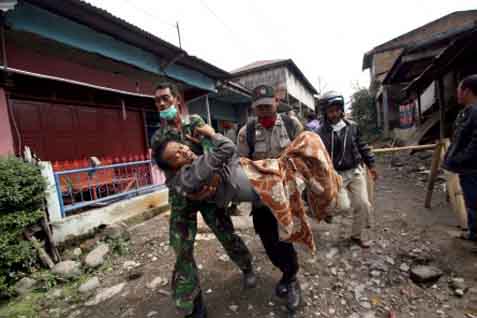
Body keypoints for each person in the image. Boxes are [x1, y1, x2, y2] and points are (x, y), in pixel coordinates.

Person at [150, 82, 256, 318]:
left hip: (211, 192)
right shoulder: (158, 138)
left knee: (226, 234)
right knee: (183, 251)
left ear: (177, 100)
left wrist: (214, 183)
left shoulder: (195, 122)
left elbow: (216, 152)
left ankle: (247, 266)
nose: (161, 104)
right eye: (157, 101)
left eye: (165, 98)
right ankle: (193, 306)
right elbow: (169, 177)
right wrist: (190, 193)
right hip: (182, 198)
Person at [154, 125, 341, 252]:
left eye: (180, 147)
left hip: (259, 177)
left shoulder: (191, 172)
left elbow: (229, 156)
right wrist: (212, 133)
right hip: (259, 184)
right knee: (307, 143)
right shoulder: (192, 172)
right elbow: (228, 148)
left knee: (301, 158)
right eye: (176, 155)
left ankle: (325, 193)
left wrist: (218, 169)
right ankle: (326, 196)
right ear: (173, 168)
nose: (183, 151)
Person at [236, 85, 304, 312]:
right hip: (261, 199)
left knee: (286, 240)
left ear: (276, 101)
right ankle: (286, 273)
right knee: (269, 243)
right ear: (254, 108)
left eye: (267, 105)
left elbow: (304, 155)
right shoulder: (246, 132)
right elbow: (241, 164)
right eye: (259, 107)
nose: (264, 110)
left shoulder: (292, 124)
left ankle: (291, 280)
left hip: (286, 196)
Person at [317, 91, 377, 248]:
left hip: (355, 171)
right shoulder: (319, 133)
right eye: (330, 111)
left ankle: (356, 236)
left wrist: (371, 166)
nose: (335, 113)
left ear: (341, 109)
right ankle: (325, 212)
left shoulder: (353, 127)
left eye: (337, 110)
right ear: (325, 113)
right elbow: (315, 156)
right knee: (343, 206)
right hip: (335, 175)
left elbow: (363, 147)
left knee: (363, 204)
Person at [443, 75, 477, 243]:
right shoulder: (467, 112)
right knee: (471, 201)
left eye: (459, 90)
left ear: (467, 91)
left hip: (472, 168)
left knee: (474, 202)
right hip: (468, 167)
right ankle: (473, 232)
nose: (457, 93)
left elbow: (475, 143)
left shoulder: (475, 111)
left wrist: (461, 158)